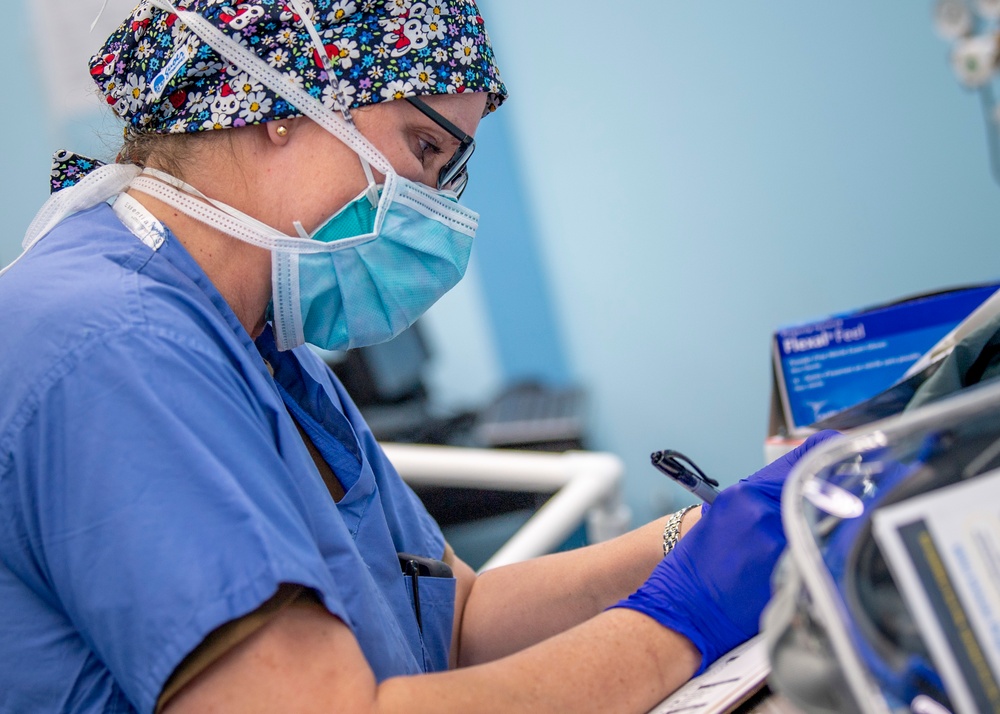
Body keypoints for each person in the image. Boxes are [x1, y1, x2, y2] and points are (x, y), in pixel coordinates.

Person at [0, 1, 838, 712]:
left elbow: (458, 618)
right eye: (424, 151)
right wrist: (683, 619)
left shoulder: (260, 349)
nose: (433, 208)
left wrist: (699, 534)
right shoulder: (113, 347)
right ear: (274, 101)